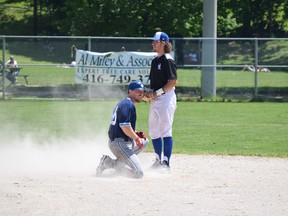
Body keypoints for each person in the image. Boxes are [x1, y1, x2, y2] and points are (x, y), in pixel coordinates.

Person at [96, 81, 149, 178]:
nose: (141, 93)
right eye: (138, 91)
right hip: (119, 143)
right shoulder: (127, 105)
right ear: (130, 91)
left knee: (145, 141)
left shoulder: (126, 103)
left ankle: (117, 164)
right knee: (139, 173)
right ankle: (108, 163)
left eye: (142, 91)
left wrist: (135, 133)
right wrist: (136, 138)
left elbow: (120, 125)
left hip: (123, 141)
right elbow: (124, 127)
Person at [148, 31, 178, 170]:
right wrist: (149, 94)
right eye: (153, 41)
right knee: (154, 131)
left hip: (166, 97)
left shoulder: (167, 59)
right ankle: (157, 160)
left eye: (156, 41)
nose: (153, 43)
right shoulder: (155, 61)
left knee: (165, 130)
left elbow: (172, 82)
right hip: (156, 99)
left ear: (163, 43)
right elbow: (155, 83)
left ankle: (166, 163)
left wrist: (157, 92)